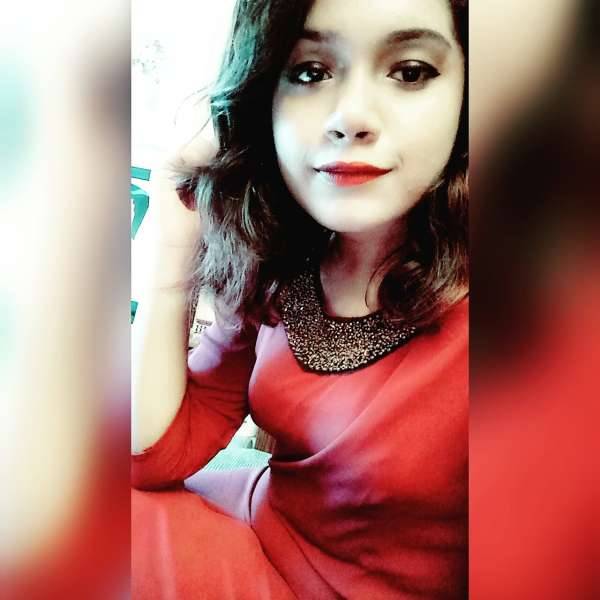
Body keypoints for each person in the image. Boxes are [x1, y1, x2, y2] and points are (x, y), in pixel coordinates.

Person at [131, 0, 468, 597]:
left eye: (410, 71)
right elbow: (151, 455)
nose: (351, 117)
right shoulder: (282, 259)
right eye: (311, 72)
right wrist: (171, 230)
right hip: (246, 535)